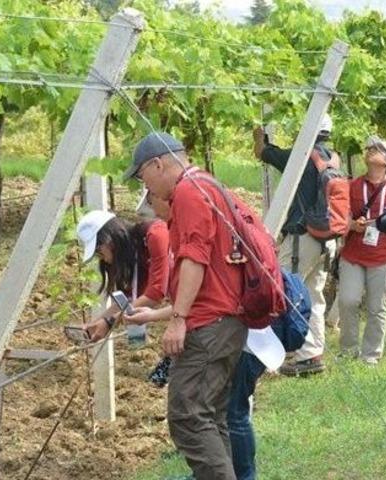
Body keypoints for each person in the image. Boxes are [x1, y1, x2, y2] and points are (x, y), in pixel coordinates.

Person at [123, 131, 255, 479]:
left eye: (142, 177)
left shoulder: (188, 191)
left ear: (158, 164)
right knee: (211, 416)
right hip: (226, 321)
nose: (145, 186)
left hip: (209, 324)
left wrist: (178, 319)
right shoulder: (206, 185)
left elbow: (194, 256)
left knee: (187, 415)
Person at [254, 114, 338, 376]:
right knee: (313, 296)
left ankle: (269, 357)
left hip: (304, 237)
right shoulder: (333, 158)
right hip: (327, 238)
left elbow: (262, 152)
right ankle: (310, 355)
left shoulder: (301, 156)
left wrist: (258, 134)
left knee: (278, 291)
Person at [338, 136, 386, 365]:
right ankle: (348, 350)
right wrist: (351, 226)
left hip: (382, 256)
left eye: (377, 149)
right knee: (348, 300)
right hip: (353, 254)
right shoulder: (354, 186)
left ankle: (371, 355)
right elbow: (343, 215)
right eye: (369, 148)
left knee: (377, 307)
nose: (369, 151)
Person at [77, 209, 169, 343]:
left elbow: (155, 294)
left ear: (110, 239)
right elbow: (129, 301)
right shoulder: (138, 251)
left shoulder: (155, 235)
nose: (104, 261)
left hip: (204, 314)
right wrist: (95, 324)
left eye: (99, 253)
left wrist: (109, 322)